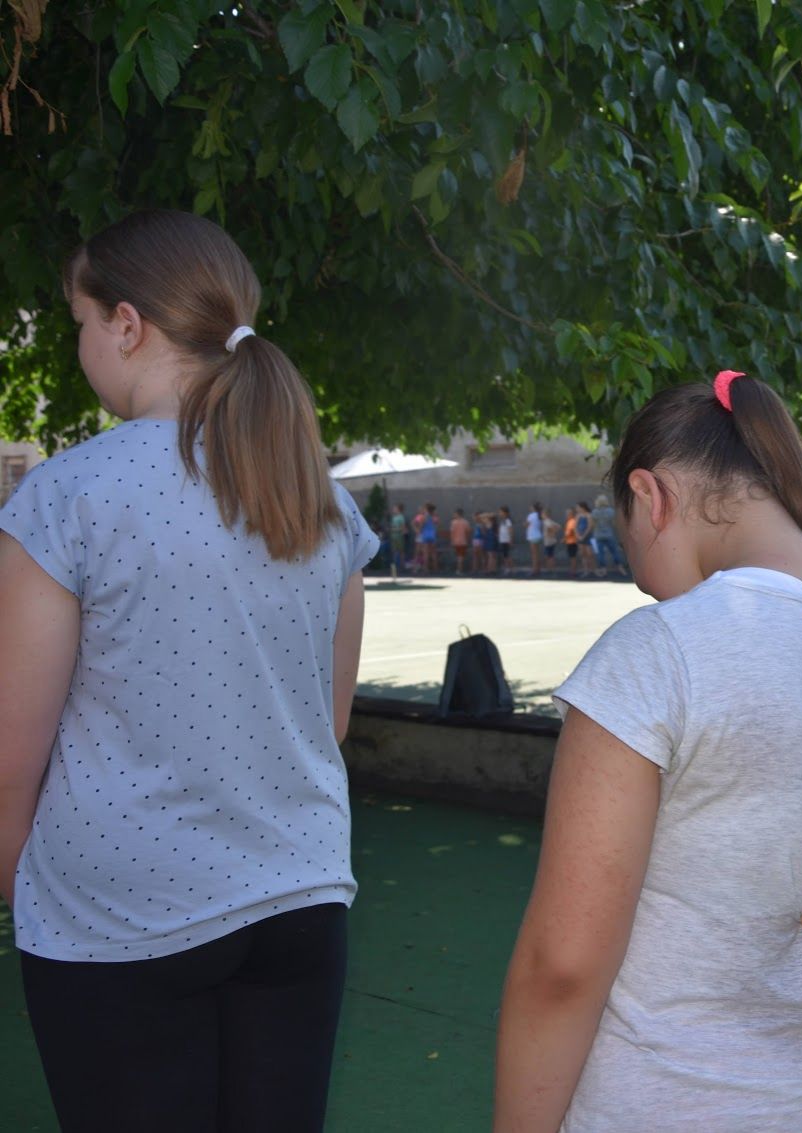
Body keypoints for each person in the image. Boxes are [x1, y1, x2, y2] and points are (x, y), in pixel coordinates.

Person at [0, 209, 378, 1132]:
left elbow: (10, 751)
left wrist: (19, 890)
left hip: (119, 914)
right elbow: (328, 720)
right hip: (300, 899)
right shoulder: (320, 501)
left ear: (126, 325)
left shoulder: (68, 494)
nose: (82, 345)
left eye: (82, 322)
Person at [494, 371, 802, 1133]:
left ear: (650, 496)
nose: (644, 585)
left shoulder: (655, 652)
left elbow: (562, 966)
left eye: (628, 543)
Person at [587, 493, 627, 578]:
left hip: (598, 535)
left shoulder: (594, 512)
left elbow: (592, 525)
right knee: (614, 552)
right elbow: (614, 524)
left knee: (600, 553)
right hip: (609, 534)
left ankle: (603, 569)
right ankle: (620, 568)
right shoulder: (611, 511)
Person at [572, 501, 594, 578]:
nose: (577, 509)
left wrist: (584, 536)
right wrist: (577, 535)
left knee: (590, 554)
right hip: (580, 537)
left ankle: (592, 569)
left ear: (583, 507)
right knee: (583, 554)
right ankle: (585, 570)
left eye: (578, 507)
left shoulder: (588, 515)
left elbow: (589, 527)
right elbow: (575, 527)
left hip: (588, 537)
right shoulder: (578, 515)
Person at [387, 502, 407, 581]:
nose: (393, 509)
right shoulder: (394, 517)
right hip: (394, 537)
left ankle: (402, 566)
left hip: (399, 537)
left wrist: (394, 530)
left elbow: (403, 528)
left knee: (401, 551)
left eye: (395, 508)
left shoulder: (401, 517)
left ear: (399, 509)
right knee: (394, 551)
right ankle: (394, 567)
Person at [450, 507, 473, 575]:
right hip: (463, 542)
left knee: (459, 556)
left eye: (455, 514)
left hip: (456, 542)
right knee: (461, 556)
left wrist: (452, 541)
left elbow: (452, 533)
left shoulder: (453, 522)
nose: (454, 515)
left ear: (458, 514)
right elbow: (468, 532)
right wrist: (468, 540)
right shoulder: (465, 522)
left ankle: (459, 569)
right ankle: (459, 569)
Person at [525, 500, 545, 577]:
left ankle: (534, 570)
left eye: (531, 506)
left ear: (533, 508)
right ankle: (538, 569)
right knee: (537, 554)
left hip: (532, 536)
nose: (530, 507)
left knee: (534, 555)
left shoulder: (531, 515)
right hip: (538, 535)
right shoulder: (540, 515)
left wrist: (524, 524)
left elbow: (526, 524)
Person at [542, 506, 562, 574]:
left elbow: (550, 527)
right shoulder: (550, 521)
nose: (541, 515)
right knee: (550, 555)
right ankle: (551, 568)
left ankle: (550, 569)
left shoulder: (546, 521)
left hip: (548, 541)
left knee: (549, 556)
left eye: (542, 514)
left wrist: (551, 533)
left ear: (545, 514)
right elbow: (559, 526)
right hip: (552, 540)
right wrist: (554, 532)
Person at [497, 505, 514, 576]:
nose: (499, 513)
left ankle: (509, 569)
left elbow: (511, 530)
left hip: (506, 540)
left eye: (501, 512)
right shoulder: (502, 521)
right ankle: (508, 568)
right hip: (502, 540)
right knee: (505, 555)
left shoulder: (508, 520)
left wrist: (511, 540)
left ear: (505, 513)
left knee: (507, 555)